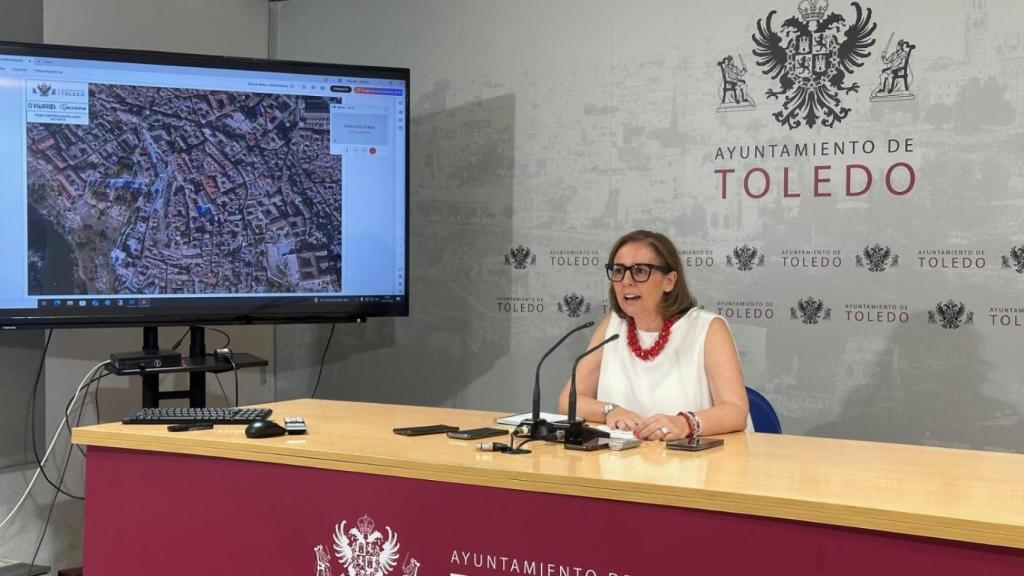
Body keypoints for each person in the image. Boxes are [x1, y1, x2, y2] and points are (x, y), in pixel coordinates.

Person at [557, 230, 749, 441]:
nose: (626, 281)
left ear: (669, 281)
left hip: (694, 464)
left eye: (639, 271)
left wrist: (684, 423)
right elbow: (568, 400)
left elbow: (736, 411)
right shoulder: (613, 325)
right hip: (624, 464)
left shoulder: (708, 328)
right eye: (619, 271)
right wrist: (610, 410)